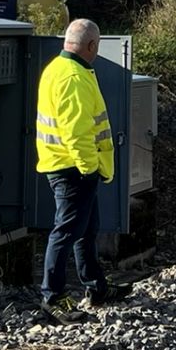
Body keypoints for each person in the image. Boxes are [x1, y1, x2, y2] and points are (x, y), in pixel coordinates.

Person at [35, 17, 114, 310]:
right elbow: (77, 131)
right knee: (67, 232)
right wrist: (89, 168)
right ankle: (52, 296)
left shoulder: (57, 68)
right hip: (74, 168)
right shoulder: (74, 77)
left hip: (64, 164)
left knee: (86, 229)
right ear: (91, 45)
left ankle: (96, 287)